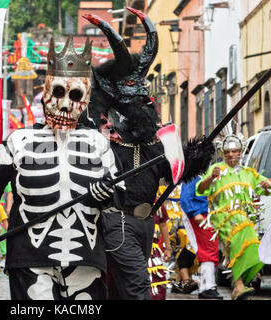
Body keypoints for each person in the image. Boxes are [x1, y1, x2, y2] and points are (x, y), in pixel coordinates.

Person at [0, 35, 123, 300]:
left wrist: (108, 195)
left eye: (75, 95)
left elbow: (121, 198)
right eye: (58, 92)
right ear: (45, 94)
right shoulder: (18, 141)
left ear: (86, 99)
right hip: (29, 259)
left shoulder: (98, 144)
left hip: (86, 260)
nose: (66, 104)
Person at [80, 10, 215, 300]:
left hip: (145, 224)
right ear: (116, 96)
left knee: (118, 291)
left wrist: (198, 153)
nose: (146, 98)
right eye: (133, 89)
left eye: (145, 90)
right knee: (139, 287)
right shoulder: (103, 140)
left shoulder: (152, 141)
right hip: (118, 223)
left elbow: (172, 173)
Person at [196, 133, 271, 300]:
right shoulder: (216, 170)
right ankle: (239, 285)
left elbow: (268, 190)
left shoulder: (249, 173)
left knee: (254, 247)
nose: (230, 155)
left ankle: (240, 286)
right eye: (227, 152)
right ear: (223, 154)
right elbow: (201, 189)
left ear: (241, 152)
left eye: (234, 151)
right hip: (223, 217)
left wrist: (266, 186)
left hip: (244, 218)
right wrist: (211, 177)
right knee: (237, 239)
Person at [180, 175, 222, 299]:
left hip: (207, 216)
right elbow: (185, 198)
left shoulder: (202, 176)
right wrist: (195, 214)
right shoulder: (193, 177)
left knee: (211, 250)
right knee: (207, 250)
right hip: (198, 216)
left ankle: (207, 286)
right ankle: (207, 286)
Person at [162, 185, 199, 295]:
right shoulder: (162, 179)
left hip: (185, 217)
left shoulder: (188, 180)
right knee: (181, 250)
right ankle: (186, 281)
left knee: (190, 247)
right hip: (169, 218)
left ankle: (178, 282)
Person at [148, 203, 171, 300]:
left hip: (153, 252)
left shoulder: (158, 202)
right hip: (134, 248)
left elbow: (163, 225)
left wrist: (168, 248)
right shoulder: (131, 197)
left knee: (158, 280)